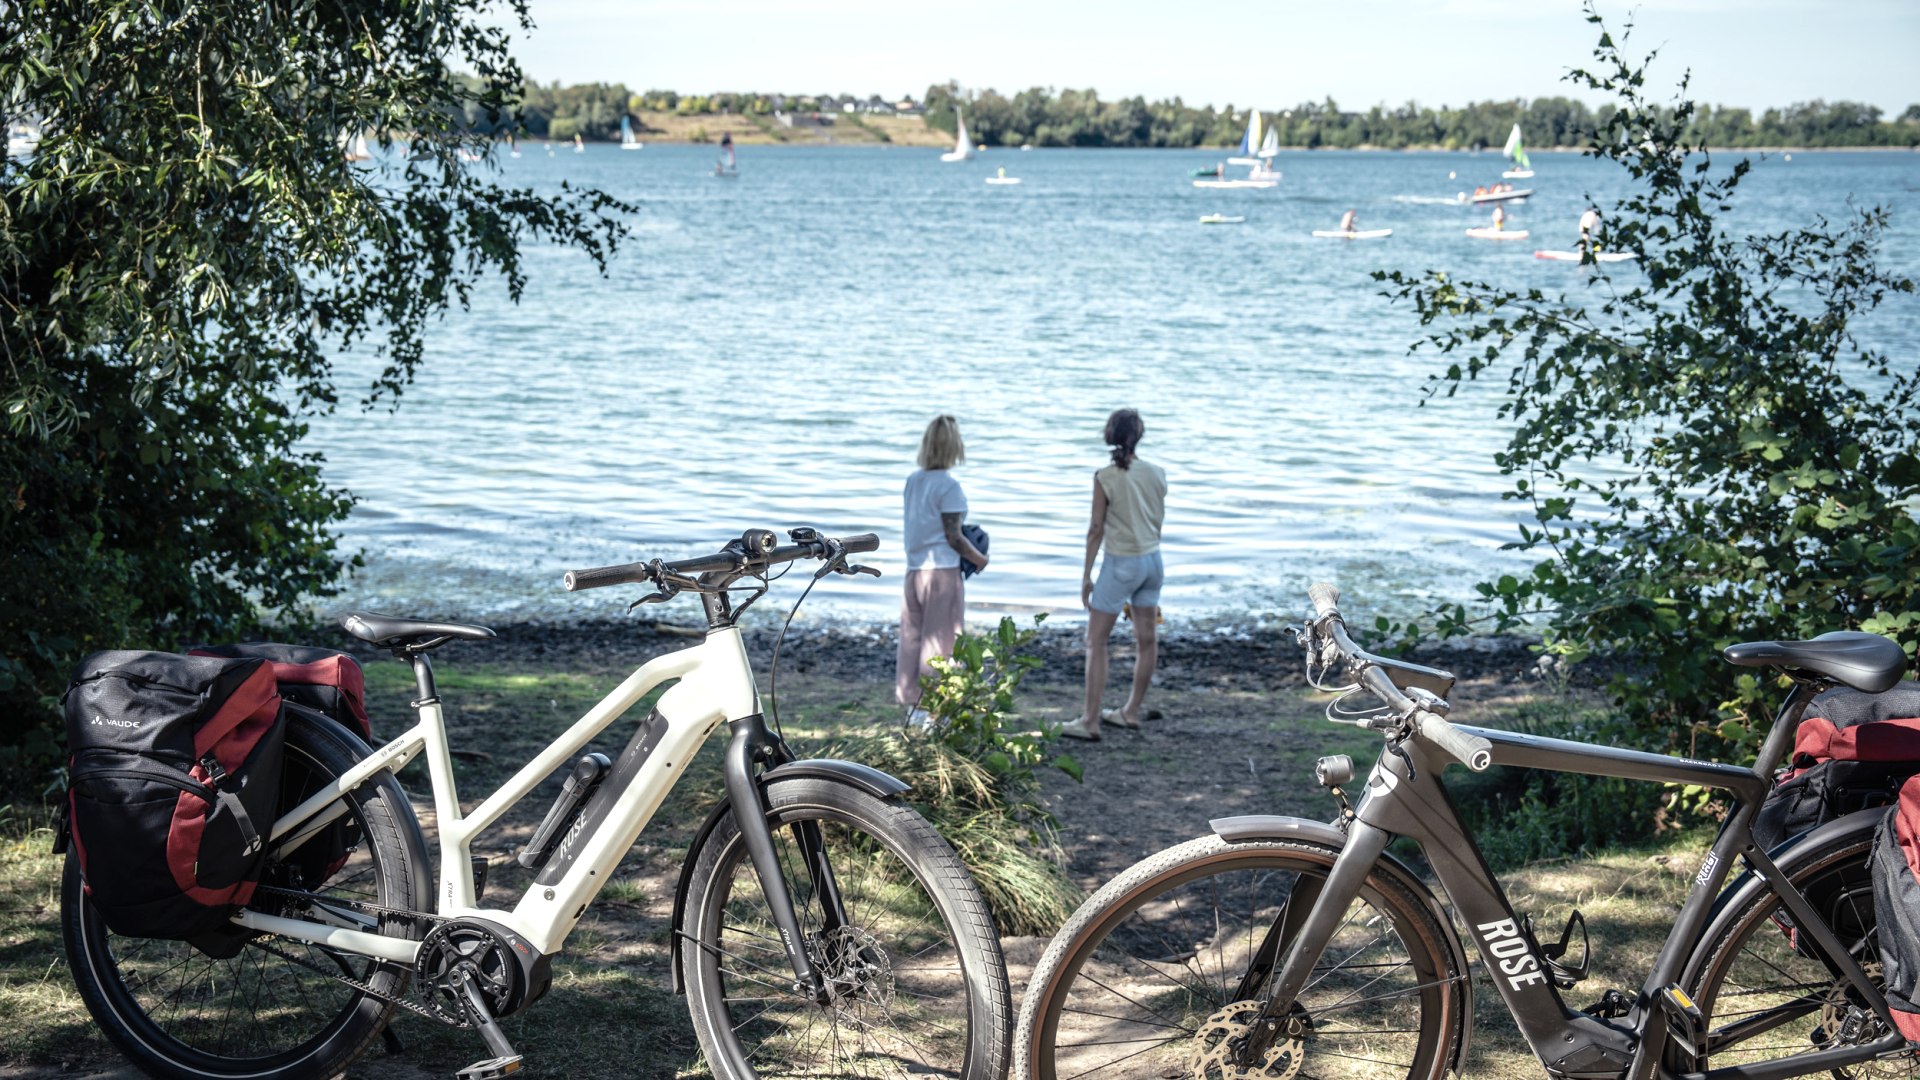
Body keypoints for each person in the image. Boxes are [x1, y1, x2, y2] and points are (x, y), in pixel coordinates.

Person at [1062, 409, 1167, 741]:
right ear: (1139, 435)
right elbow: (1155, 519)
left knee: (1096, 641)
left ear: (1110, 435)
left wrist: (1086, 576)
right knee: (1147, 640)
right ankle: (1130, 711)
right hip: (1153, 562)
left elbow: (1096, 529)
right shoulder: (1157, 473)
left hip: (1121, 564)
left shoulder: (1105, 476)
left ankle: (1090, 720)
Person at [896, 415, 989, 723]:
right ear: (954, 447)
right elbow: (953, 536)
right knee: (942, 640)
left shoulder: (914, 480)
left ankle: (912, 704)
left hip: (915, 570)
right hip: (942, 571)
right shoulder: (949, 486)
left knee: (912, 636)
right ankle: (934, 710)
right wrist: (979, 559)